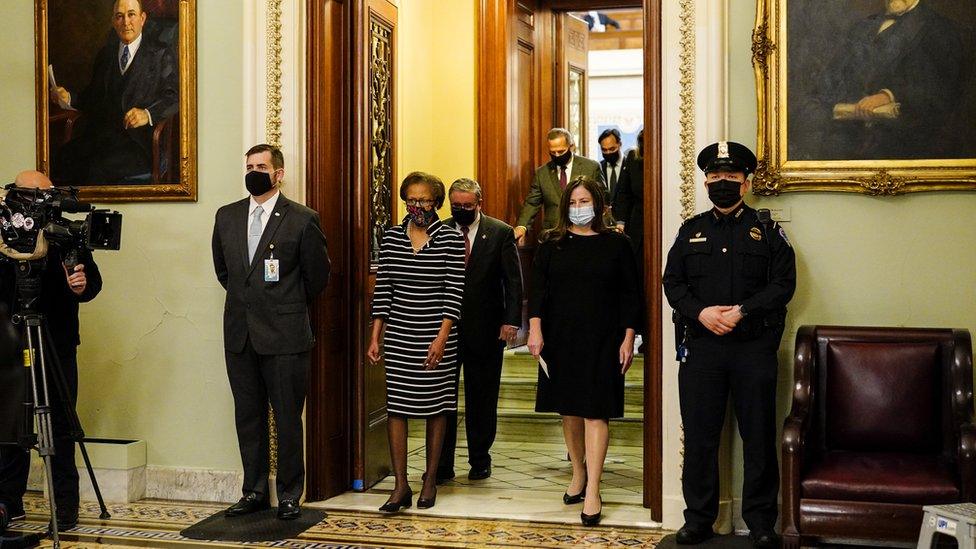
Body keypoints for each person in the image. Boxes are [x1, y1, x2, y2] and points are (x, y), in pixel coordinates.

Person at [663, 141, 796, 547]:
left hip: (753, 349)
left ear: (746, 182)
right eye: (715, 177)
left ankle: (759, 523)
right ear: (706, 181)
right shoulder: (691, 230)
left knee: (758, 436)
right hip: (702, 349)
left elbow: (783, 285)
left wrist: (741, 312)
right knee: (701, 437)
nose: (722, 183)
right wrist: (701, 313)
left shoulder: (768, 230)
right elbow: (674, 283)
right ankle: (698, 519)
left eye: (731, 177)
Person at [211, 144, 331, 521]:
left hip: (285, 335)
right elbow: (225, 272)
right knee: (248, 416)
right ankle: (255, 490)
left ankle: (291, 493)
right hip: (240, 335)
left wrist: (282, 303)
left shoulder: (301, 218)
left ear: (278, 173)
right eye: (249, 166)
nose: (254, 172)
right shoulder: (226, 216)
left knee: (287, 417)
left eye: (261, 166)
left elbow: (317, 277)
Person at [527, 176, 640, 527]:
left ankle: (593, 489)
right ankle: (578, 472)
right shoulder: (551, 244)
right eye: (573, 203)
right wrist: (534, 330)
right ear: (565, 208)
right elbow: (538, 292)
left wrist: (629, 337)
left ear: (600, 205)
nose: (579, 209)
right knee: (569, 410)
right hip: (561, 337)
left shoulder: (618, 244)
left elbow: (630, 295)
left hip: (604, 338)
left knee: (596, 411)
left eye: (584, 202)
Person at [0, 170, 103, 530]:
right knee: (11, 424)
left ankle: (65, 506)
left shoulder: (64, 234)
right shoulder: (4, 233)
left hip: (56, 344)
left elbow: (92, 284)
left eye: (48, 195)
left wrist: (80, 284)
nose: (42, 202)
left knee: (59, 426)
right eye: (33, 195)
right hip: (11, 344)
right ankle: (8, 502)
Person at [367, 172, 466, 513]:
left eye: (424, 200)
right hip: (399, 336)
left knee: (436, 409)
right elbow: (384, 290)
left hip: (437, 337)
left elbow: (454, 293)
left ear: (436, 202)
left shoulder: (451, 239)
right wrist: (375, 336)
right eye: (412, 199)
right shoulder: (392, 237)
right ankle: (399, 485)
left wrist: (441, 338)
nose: (418, 206)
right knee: (397, 409)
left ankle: (429, 480)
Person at [792, 0, 966, 160]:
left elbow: (940, 90)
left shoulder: (940, 29)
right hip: (846, 141)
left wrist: (888, 95)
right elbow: (829, 82)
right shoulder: (862, 27)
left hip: (904, 146)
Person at [437, 178, 523, 483]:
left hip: (486, 329)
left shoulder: (499, 232)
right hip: (444, 330)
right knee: (443, 399)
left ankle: (480, 459)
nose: (461, 210)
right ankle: (441, 463)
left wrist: (511, 321)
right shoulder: (440, 230)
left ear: (479, 202)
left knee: (482, 397)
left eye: (467, 206)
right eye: (456, 205)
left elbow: (513, 281)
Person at [50, 0, 179, 184]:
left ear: (142, 19)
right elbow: (92, 97)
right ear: (113, 21)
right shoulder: (106, 55)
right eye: (119, 16)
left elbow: (174, 96)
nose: (126, 22)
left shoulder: (160, 54)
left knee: (95, 170)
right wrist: (68, 97)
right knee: (62, 158)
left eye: (131, 14)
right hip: (100, 139)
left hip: (138, 144)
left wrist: (148, 114)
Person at [513, 128, 603, 246]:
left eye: (561, 152)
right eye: (553, 152)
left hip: (585, 231)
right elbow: (532, 203)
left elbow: (602, 199)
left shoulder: (590, 167)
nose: (557, 155)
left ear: (571, 146)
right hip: (554, 234)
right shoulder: (542, 173)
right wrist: (522, 226)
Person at [598, 129, 625, 206]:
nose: (608, 152)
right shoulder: (599, 168)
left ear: (620, 144)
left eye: (612, 149)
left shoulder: (630, 165)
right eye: (604, 150)